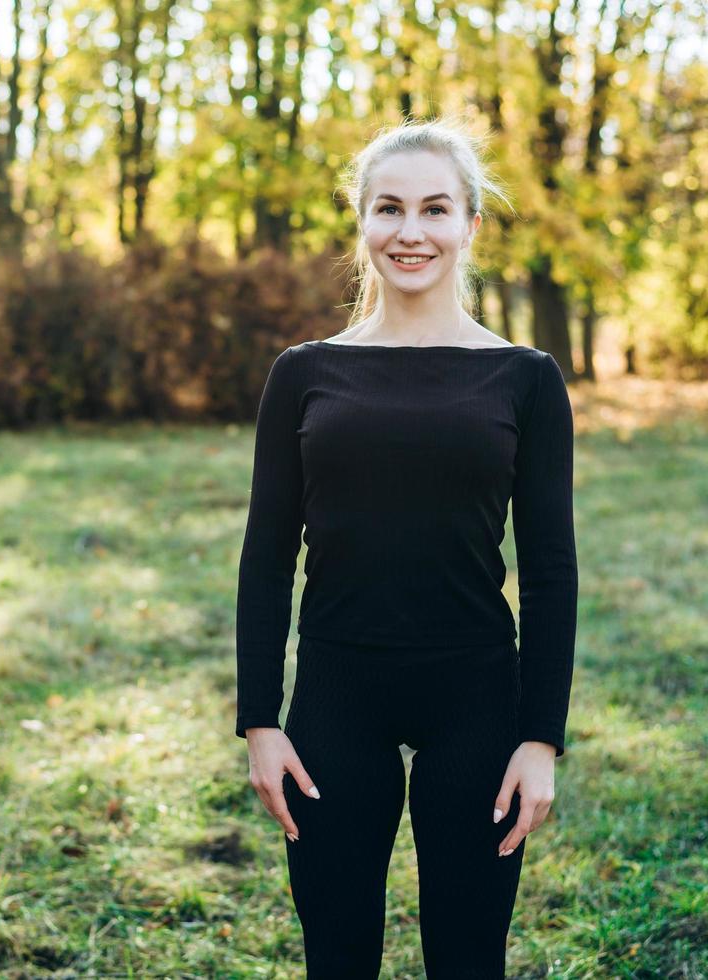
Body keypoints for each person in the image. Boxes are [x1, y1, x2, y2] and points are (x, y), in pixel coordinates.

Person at [234, 116, 578, 978]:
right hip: (336, 696)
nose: (411, 232)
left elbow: (549, 570)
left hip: (478, 697)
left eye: (434, 209)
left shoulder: (526, 378)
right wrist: (258, 724)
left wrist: (540, 739)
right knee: (337, 957)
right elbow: (267, 555)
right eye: (389, 209)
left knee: (468, 959)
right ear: (362, 223)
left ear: (469, 224)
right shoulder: (304, 373)